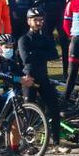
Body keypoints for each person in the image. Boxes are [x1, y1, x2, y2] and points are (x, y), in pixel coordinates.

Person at [18, 7, 61, 146]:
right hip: (29, 78)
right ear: (28, 21)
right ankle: (25, 142)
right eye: (35, 20)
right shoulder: (23, 39)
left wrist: (35, 53)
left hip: (43, 77)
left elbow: (55, 54)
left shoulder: (45, 38)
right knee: (28, 110)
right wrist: (43, 53)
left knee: (54, 108)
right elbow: (26, 59)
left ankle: (56, 141)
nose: (38, 23)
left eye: (41, 20)